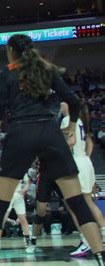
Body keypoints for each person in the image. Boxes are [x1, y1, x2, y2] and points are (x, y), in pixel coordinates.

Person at [0, 34, 104, 265]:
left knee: (0, 203)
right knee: (77, 201)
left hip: (20, 133)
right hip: (49, 132)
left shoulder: (4, 75)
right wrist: (70, 127)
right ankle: (100, 257)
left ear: (10, 50)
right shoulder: (47, 70)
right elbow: (73, 100)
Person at [59, 101, 105, 257]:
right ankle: (102, 235)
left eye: (63, 102)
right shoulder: (81, 121)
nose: (60, 104)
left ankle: (86, 241)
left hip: (76, 163)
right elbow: (89, 143)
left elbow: (70, 142)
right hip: (85, 161)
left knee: (74, 206)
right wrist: (84, 158)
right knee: (87, 202)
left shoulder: (67, 120)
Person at [3, 172, 31, 247]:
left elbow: (28, 183)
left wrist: (23, 190)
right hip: (8, 195)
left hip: (18, 196)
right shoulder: (6, 169)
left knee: (22, 218)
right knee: (4, 217)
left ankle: (27, 238)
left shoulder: (22, 171)